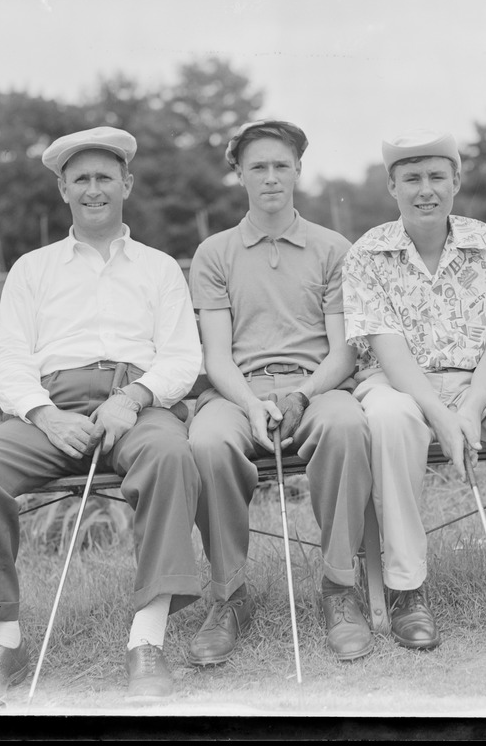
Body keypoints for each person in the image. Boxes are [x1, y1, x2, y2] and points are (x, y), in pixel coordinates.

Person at [0, 126, 205, 707]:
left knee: (169, 455)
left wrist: (132, 398)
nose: (94, 189)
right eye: (80, 179)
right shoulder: (32, 269)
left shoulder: (159, 268)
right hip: (52, 409)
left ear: (126, 184)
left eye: (105, 177)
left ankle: (147, 643)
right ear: (62, 190)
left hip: (137, 404)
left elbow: (183, 358)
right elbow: (7, 363)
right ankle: (3, 645)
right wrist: (46, 415)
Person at [342, 130, 486, 652]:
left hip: (481, 382)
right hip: (400, 385)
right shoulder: (367, 254)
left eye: (435, 177)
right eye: (411, 179)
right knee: (388, 419)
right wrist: (441, 416)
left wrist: (469, 410)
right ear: (392, 186)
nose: (424, 190)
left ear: (455, 181)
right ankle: (407, 588)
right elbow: (389, 353)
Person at [186, 119, 374, 665]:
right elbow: (216, 356)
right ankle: (229, 596)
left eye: (281, 166)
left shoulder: (333, 247)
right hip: (237, 393)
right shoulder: (214, 253)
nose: (271, 177)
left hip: (318, 389)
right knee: (206, 443)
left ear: (298, 171)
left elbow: (344, 353)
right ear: (240, 176)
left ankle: (339, 589)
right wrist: (249, 403)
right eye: (258, 167)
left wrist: (302, 396)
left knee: (346, 426)